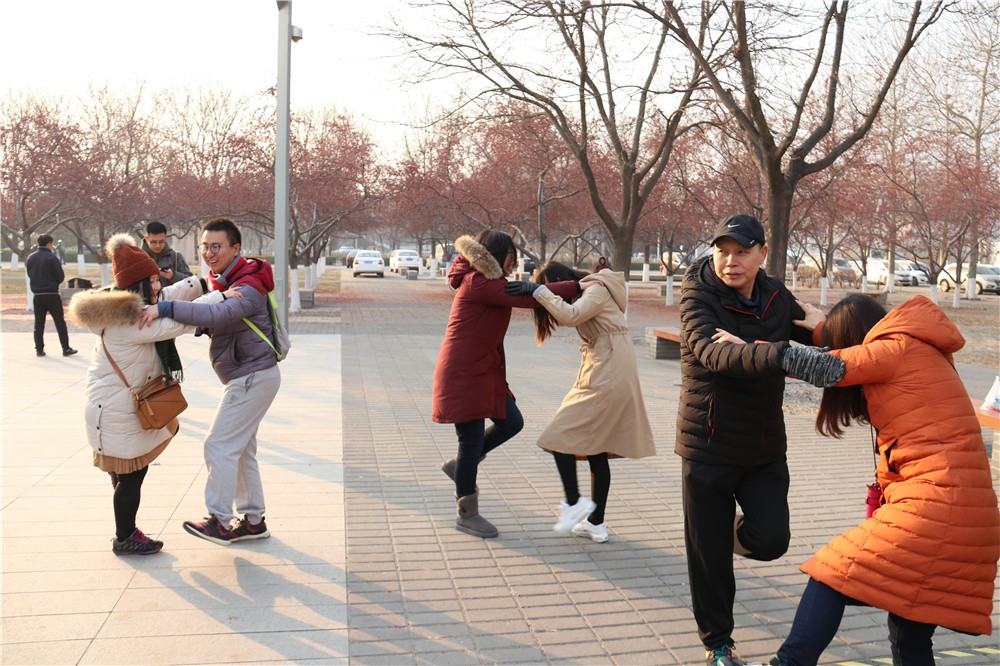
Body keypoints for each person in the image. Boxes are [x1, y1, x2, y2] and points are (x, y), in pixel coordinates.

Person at [764, 294, 1000, 666]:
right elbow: (851, 352)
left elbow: (829, 366)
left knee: (832, 571)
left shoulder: (895, 347)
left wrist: (753, 350)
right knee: (910, 635)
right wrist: (823, 326)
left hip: (936, 512)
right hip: (971, 517)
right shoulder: (920, 348)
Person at [675, 214, 826, 666]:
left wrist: (824, 326)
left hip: (763, 446)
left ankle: (724, 534)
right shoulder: (698, 293)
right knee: (710, 560)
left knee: (771, 539)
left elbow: (821, 336)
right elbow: (712, 352)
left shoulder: (776, 296)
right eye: (722, 251)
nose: (730, 261)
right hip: (709, 443)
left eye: (741, 252)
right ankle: (718, 644)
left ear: (763, 253)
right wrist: (778, 352)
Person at [68, 233, 219, 555]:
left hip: (110, 406)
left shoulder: (124, 305)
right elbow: (174, 323)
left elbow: (166, 296)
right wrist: (220, 298)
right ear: (135, 286)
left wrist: (201, 283)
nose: (157, 285)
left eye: (156, 278)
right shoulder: (128, 321)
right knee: (132, 477)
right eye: (150, 280)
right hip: (113, 411)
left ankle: (126, 526)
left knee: (130, 472)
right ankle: (125, 537)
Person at [139, 216, 280, 546]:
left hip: (252, 377)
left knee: (218, 445)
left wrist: (166, 309)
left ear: (236, 248)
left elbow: (218, 313)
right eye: (205, 247)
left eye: (217, 247)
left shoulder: (249, 285)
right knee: (241, 450)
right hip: (250, 375)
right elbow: (204, 300)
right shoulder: (222, 280)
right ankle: (254, 521)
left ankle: (219, 521)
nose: (209, 253)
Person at [431, 231, 580, 539]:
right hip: (464, 374)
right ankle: (467, 513)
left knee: (511, 422)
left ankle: (461, 466)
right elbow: (527, 298)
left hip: (482, 371)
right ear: (497, 255)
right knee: (470, 443)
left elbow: (527, 295)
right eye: (512, 255)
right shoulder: (479, 282)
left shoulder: (487, 281)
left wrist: (568, 285)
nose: (514, 261)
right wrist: (579, 285)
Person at [512, 260, 656, 543]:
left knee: (558, 435)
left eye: (553, 286)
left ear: (560, 280)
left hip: (608, 369)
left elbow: (571, 315)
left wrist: (539, 291)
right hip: (608, 364)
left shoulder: (596, 288)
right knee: (597, 449)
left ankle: (575, 503)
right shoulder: (593, 289)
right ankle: (596, 523)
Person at [25, 234, 77, 357]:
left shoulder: (31, 258)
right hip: (52, 294)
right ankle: (65, 348)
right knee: (59, 322)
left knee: (39, 323)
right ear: (49, 243)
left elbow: (30, 274)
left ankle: (39, 350)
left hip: (37, 295)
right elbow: (60, 277)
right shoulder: (52, 257)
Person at [143, 221, 193, 287]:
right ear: (146, 238)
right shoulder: (138, 258)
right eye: (153, 242)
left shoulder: (176, 257)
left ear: (165, 238)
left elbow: (191, 282)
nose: (158, 246)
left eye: (161, 241)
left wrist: (173, 276)